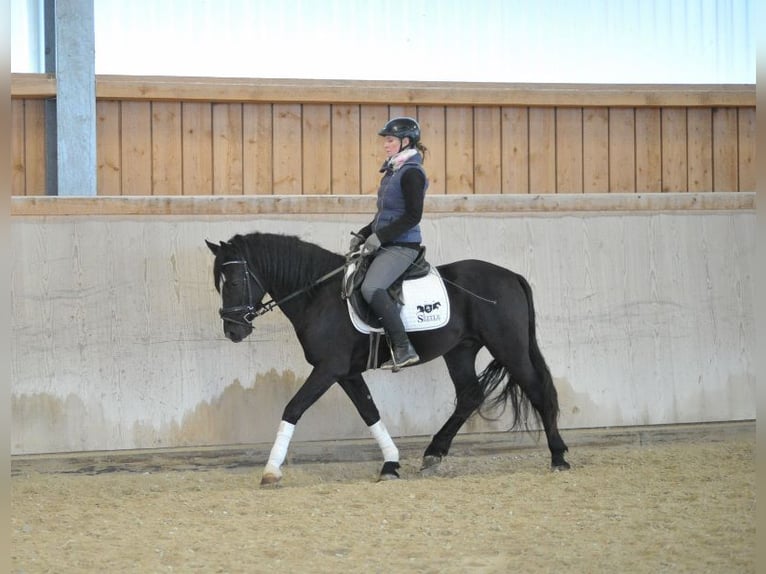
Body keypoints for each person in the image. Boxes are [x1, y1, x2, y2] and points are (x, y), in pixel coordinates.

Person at [349, 116, 429, 371]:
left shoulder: (412, 173)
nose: (385, 145)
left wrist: (380, 237)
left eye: (390, 140)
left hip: (403, 245)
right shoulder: (393, 171)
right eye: (385, 140)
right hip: (387, 242)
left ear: (406, 142)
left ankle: (404, 348)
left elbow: (412, 216)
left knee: (371, 288)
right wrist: (364, 233)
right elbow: (385, 214)